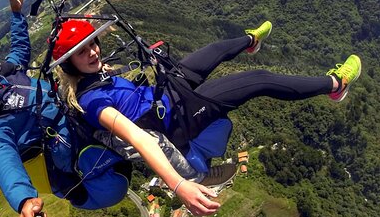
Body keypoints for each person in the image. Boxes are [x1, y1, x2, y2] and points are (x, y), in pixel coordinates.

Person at [0, 0, 224, 217]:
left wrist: (16, 12)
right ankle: (197, 179)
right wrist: (24, 199)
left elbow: (19, 49)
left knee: (132, 110)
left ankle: (191, 148)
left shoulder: (5, 74)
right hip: (69, 145)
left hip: (71, 109)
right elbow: (5, 160)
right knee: (140, 139)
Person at [53, 19, 362, 199]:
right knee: (258, 80)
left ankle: (250, 41)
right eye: (82, 51)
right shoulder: (93, 102)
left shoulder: (96, 75)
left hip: (166, 95)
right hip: (177, 119)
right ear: (70, 63)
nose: (93, 51)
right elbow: (139, 139)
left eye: (93, 43)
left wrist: (97, 60)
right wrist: (179, 185)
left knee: (212, 52)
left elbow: (111, 80)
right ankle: (335, 84)